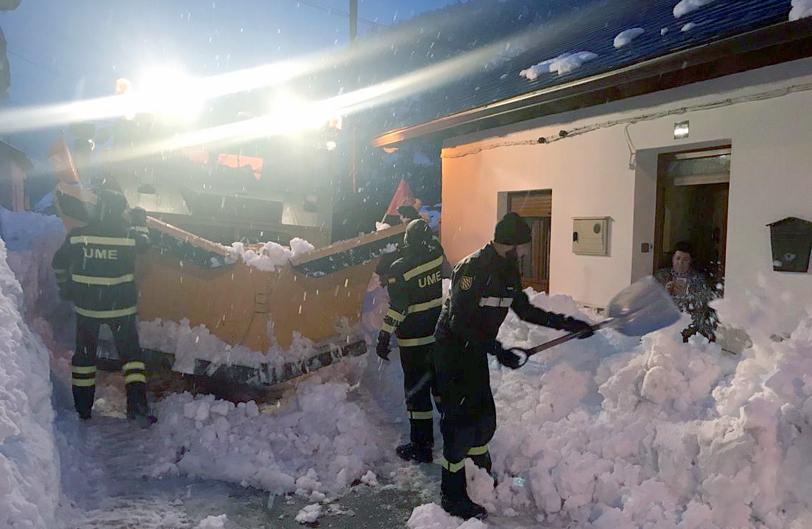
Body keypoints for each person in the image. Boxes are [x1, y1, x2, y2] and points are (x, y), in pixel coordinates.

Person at [433, 212, 594, 520]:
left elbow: (524, 310)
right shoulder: (471, 269)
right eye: (523, 246)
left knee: (483, 417)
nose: (525, 253)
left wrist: (568, 324)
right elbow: (459, 322)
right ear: (511, 243)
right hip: (453, 352)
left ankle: (478, 471)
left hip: (476, 351)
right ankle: (451, 496)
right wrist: (498, 349)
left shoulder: (508, 271)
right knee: (458, 423)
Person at [52, 189, 154, 425]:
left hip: (88, 309)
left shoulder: (78, 236)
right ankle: (137, 409)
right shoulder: (128, 235)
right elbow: (145, 245)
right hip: (122, 309)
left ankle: (83, 409)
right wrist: (140, 223)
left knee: (85, 360)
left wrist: (65, 288)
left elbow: (58, 263)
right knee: (132, 359)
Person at [376, 219, 445, 463]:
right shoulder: (436, 254)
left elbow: (399, 308)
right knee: (440, 389)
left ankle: (421, 445)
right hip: (437, 336)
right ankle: (454, 434)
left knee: (416, 395)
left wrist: (384, 334)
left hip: (414, 342)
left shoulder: (400, 269)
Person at [654, 241, 717, 341]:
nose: (680, 263)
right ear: (672, 259)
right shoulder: (661, 276)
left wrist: (690, 295)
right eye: (678, 258)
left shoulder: (698, 279)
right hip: (666, 329)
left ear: (690, 261)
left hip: (692, 330)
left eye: (685, 259)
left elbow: (705, 302)